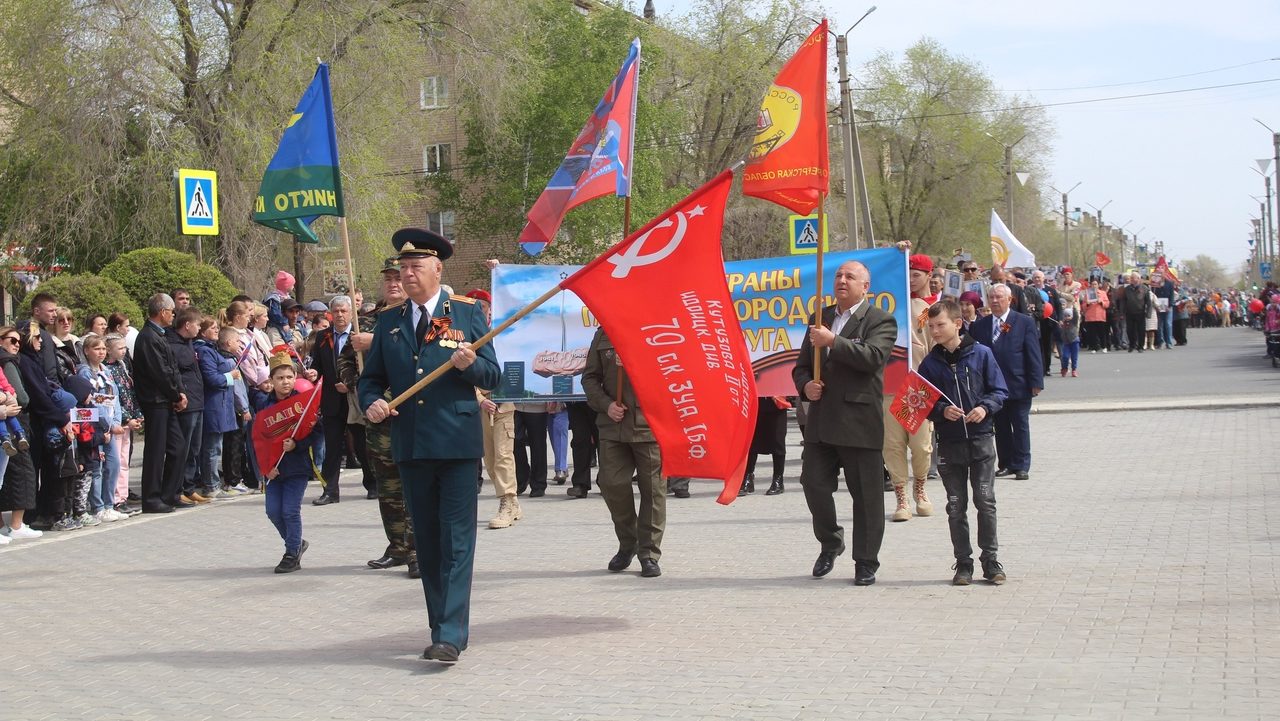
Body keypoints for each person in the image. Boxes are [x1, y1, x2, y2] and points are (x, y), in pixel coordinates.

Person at [359, 227, 500, 665]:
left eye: (416, 267)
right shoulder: (390, 322)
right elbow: (370, 380)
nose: (407, 275)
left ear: (438, 269)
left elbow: (494, 376)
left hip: (456, 445)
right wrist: (373, 403)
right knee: (429, 543)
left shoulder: (465, 313)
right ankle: (442, 623)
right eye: (402, 268)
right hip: (412, 445)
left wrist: (471, 366)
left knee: (457, 540)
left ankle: (450, 634)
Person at [793, 260, 898, 586]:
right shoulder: (820, 318)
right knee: (813, 484)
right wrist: (805, 386)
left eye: (849, 277)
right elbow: (801, 366)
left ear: (865, 286)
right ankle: (831, 541)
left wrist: (834, 342)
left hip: (858, 420)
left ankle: (865, 561)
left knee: (866, 497)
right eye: (838, 275)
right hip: (822, 421)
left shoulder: (881, 320)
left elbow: (872, 358)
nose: (841, 280)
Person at [917, 299, 1009, 586]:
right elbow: (920, 403)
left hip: (981, 440)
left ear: (957, 324)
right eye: (931, 326)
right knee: (956, 505)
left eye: (940, 325)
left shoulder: (982, 354)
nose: (935, 331)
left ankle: (991, 560)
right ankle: (963, 563)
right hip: (950, 443)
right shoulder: (930, 363)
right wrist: (941, 411)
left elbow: (999, 390)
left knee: (985, 501)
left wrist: (985, 407)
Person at [343, 257, 418, 576]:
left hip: (411, 415)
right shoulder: (368, 322)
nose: (394, 283)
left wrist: (374, 343)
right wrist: (357, 389)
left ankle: (417, 549)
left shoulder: (419, 318)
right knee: (387, 487)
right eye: (388, 278)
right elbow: (346, 362)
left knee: (413, 486)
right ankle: (397, 546)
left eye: (398, 277)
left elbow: (420, 351)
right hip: (378, 419)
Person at [581, 327, 665, 578]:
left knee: (653, 489)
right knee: (611, 484)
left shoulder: (660, 330)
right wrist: (606, 405)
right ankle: (629, 542)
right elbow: (590, 377)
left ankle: (649, 553)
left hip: (649, 425)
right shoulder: (604, 333)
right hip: (613, 425)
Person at [968, 284, 1042, 481]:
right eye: (991, 297)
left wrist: (1036, 381)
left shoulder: (1024, 322)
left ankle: (1021, 465)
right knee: (1000, 426)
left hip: (1018, 383)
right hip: (992, 387)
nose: (994, 301)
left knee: (1020, 425)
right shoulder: (980, 325)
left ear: (1009, 300)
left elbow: (1033, 354)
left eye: (999, 297)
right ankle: (1006, 463)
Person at [883, 253, 936, 522]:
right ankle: (901, 497)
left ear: (929, 275)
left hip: (918, 386)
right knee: (892, 445)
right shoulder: (892, 302)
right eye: (908, 274)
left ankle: (921, 487)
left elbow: (934, 341)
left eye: (916, 274)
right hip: (891, 383)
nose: (911, 280)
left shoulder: (931, 308)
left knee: (921, 445)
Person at [257, 351, 320, 573]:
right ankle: (297, 543)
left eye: (289, 377)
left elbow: (316, 432)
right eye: (280, 378)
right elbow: (257, 440)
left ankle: (292, 553)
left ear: (295, 377)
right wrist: (265, 468)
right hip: (274, 470)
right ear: (271, 381)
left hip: (296, 467)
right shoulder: (264, 407)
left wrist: (297, 445)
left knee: (290, 511)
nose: (285, 382)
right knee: (273, 511)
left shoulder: (304, 403)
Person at [133, 294, 188, 513]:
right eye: (171, 311)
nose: (174, 315)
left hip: (167, 399)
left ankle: (169, 493)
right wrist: (175, 395)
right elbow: (160, 372)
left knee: (178, 446)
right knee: (156, 451)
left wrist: (180, 393)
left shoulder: (161, 335)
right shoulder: (148, 337)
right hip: (155, 400)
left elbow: (172, 369)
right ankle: (152, 497)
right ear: (163, 311)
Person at [309, 295, 362, 506]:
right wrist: (314, 372)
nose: (340, 315)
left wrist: (351, 384)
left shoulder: (359, 336)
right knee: (332, 447)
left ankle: (372, 484)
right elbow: (317, 364)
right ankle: (330, 490)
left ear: (351, 313)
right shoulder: (322, 336)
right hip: (331, 400)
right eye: (336, 311)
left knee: (361, 444)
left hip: (355, 398)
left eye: (344, 311)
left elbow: (368, 366)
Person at [0, 325, 41, 541]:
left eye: (19, 341)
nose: (17, 345)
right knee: (22, 473)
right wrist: (8, 400)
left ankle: (11, 526)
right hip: (10, 423)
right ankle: (16, 525)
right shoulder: (7, 362)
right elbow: (22, 397)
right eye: (12, 340)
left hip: (10, 420)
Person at [169, 307, 207, 504]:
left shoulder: (189, 344)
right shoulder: (173, 345)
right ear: (187, 325)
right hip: (186, 403)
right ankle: (178, 487)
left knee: (195, 448)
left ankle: (189, 486)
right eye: (197, 324)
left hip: (198, 400)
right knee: (183, 447)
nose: (200, 328)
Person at [742, 396, 790, 496]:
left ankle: (778, 479)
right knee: (751, 441)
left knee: (778, 440)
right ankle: (748, 476)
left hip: (777, 400)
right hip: (754, 400)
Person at [1119, 272, 1151, 353]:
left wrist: (1148, 313)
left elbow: (1149, 302)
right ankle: (1132, 345)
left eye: (1134, 278)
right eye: (1131, 278)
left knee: (1141, 331)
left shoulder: (1144, 288)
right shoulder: (1127, 289)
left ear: (1138, 279)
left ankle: (1140, 346)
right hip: (1129, 313)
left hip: (1140, 312)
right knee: (1130, 330)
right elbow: (1123, 301)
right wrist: (1122, 313)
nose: (1132, 280)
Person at [1082, 279, 1110, 353]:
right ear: (1090, 285)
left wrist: (1101, 302)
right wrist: (1087, 304)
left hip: (1100, 316)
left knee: (1102, 333)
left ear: (1098, 285)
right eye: (1092, 284)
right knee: (1092, 333)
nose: (1094, 286)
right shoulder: (1087, 294)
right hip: (1090, 317)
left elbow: (1107, 304)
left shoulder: (1103, 293)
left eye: (1095, 284)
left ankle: (1104, 346)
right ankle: (1094, 347)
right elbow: (1083, 306)